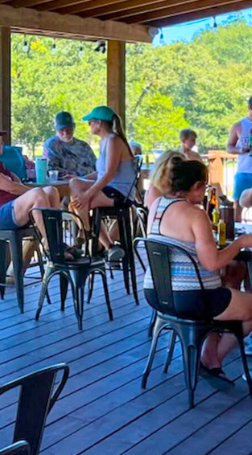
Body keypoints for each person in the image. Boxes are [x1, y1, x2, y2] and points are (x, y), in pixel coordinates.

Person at [143, 158, 252, 378]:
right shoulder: (195, 215)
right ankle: (212, 358)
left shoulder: (157, 205)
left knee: (230, 279)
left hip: (156, 294)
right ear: (196, 186)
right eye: (205, 186)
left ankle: (209, 351)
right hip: (191, 298)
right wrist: (240, 243)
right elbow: (212, 263)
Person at [69, 106, 139, 256]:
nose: (89, 125)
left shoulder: (114, 140)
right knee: (74, 187)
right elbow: (100, 173)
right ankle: (107, 245)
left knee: (78, 203)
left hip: (120, 192)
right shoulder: (104, 141)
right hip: (108, 188)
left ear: (99, 123)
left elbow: (109, 173)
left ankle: (89, 236)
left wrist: (87, 194)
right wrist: (81, 180)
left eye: (91, 122)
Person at [0, 126, 61, 236]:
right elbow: (11, 187)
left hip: (10, 208)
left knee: (51, 191)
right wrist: (32, 191)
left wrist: (18, 182)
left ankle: (57, 240)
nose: (2, 143)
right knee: (37, 194)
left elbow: (12, 177)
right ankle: (50, 245)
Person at [43, 111, 97, 179]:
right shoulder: (51, 145)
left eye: (68, 129)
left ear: (74, 127)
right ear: (56, 129)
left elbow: (97, 169)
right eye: (61, 130)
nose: (65, 133)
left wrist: (81, 177)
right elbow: (50, 170)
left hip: (87, 182)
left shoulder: (83, 146)